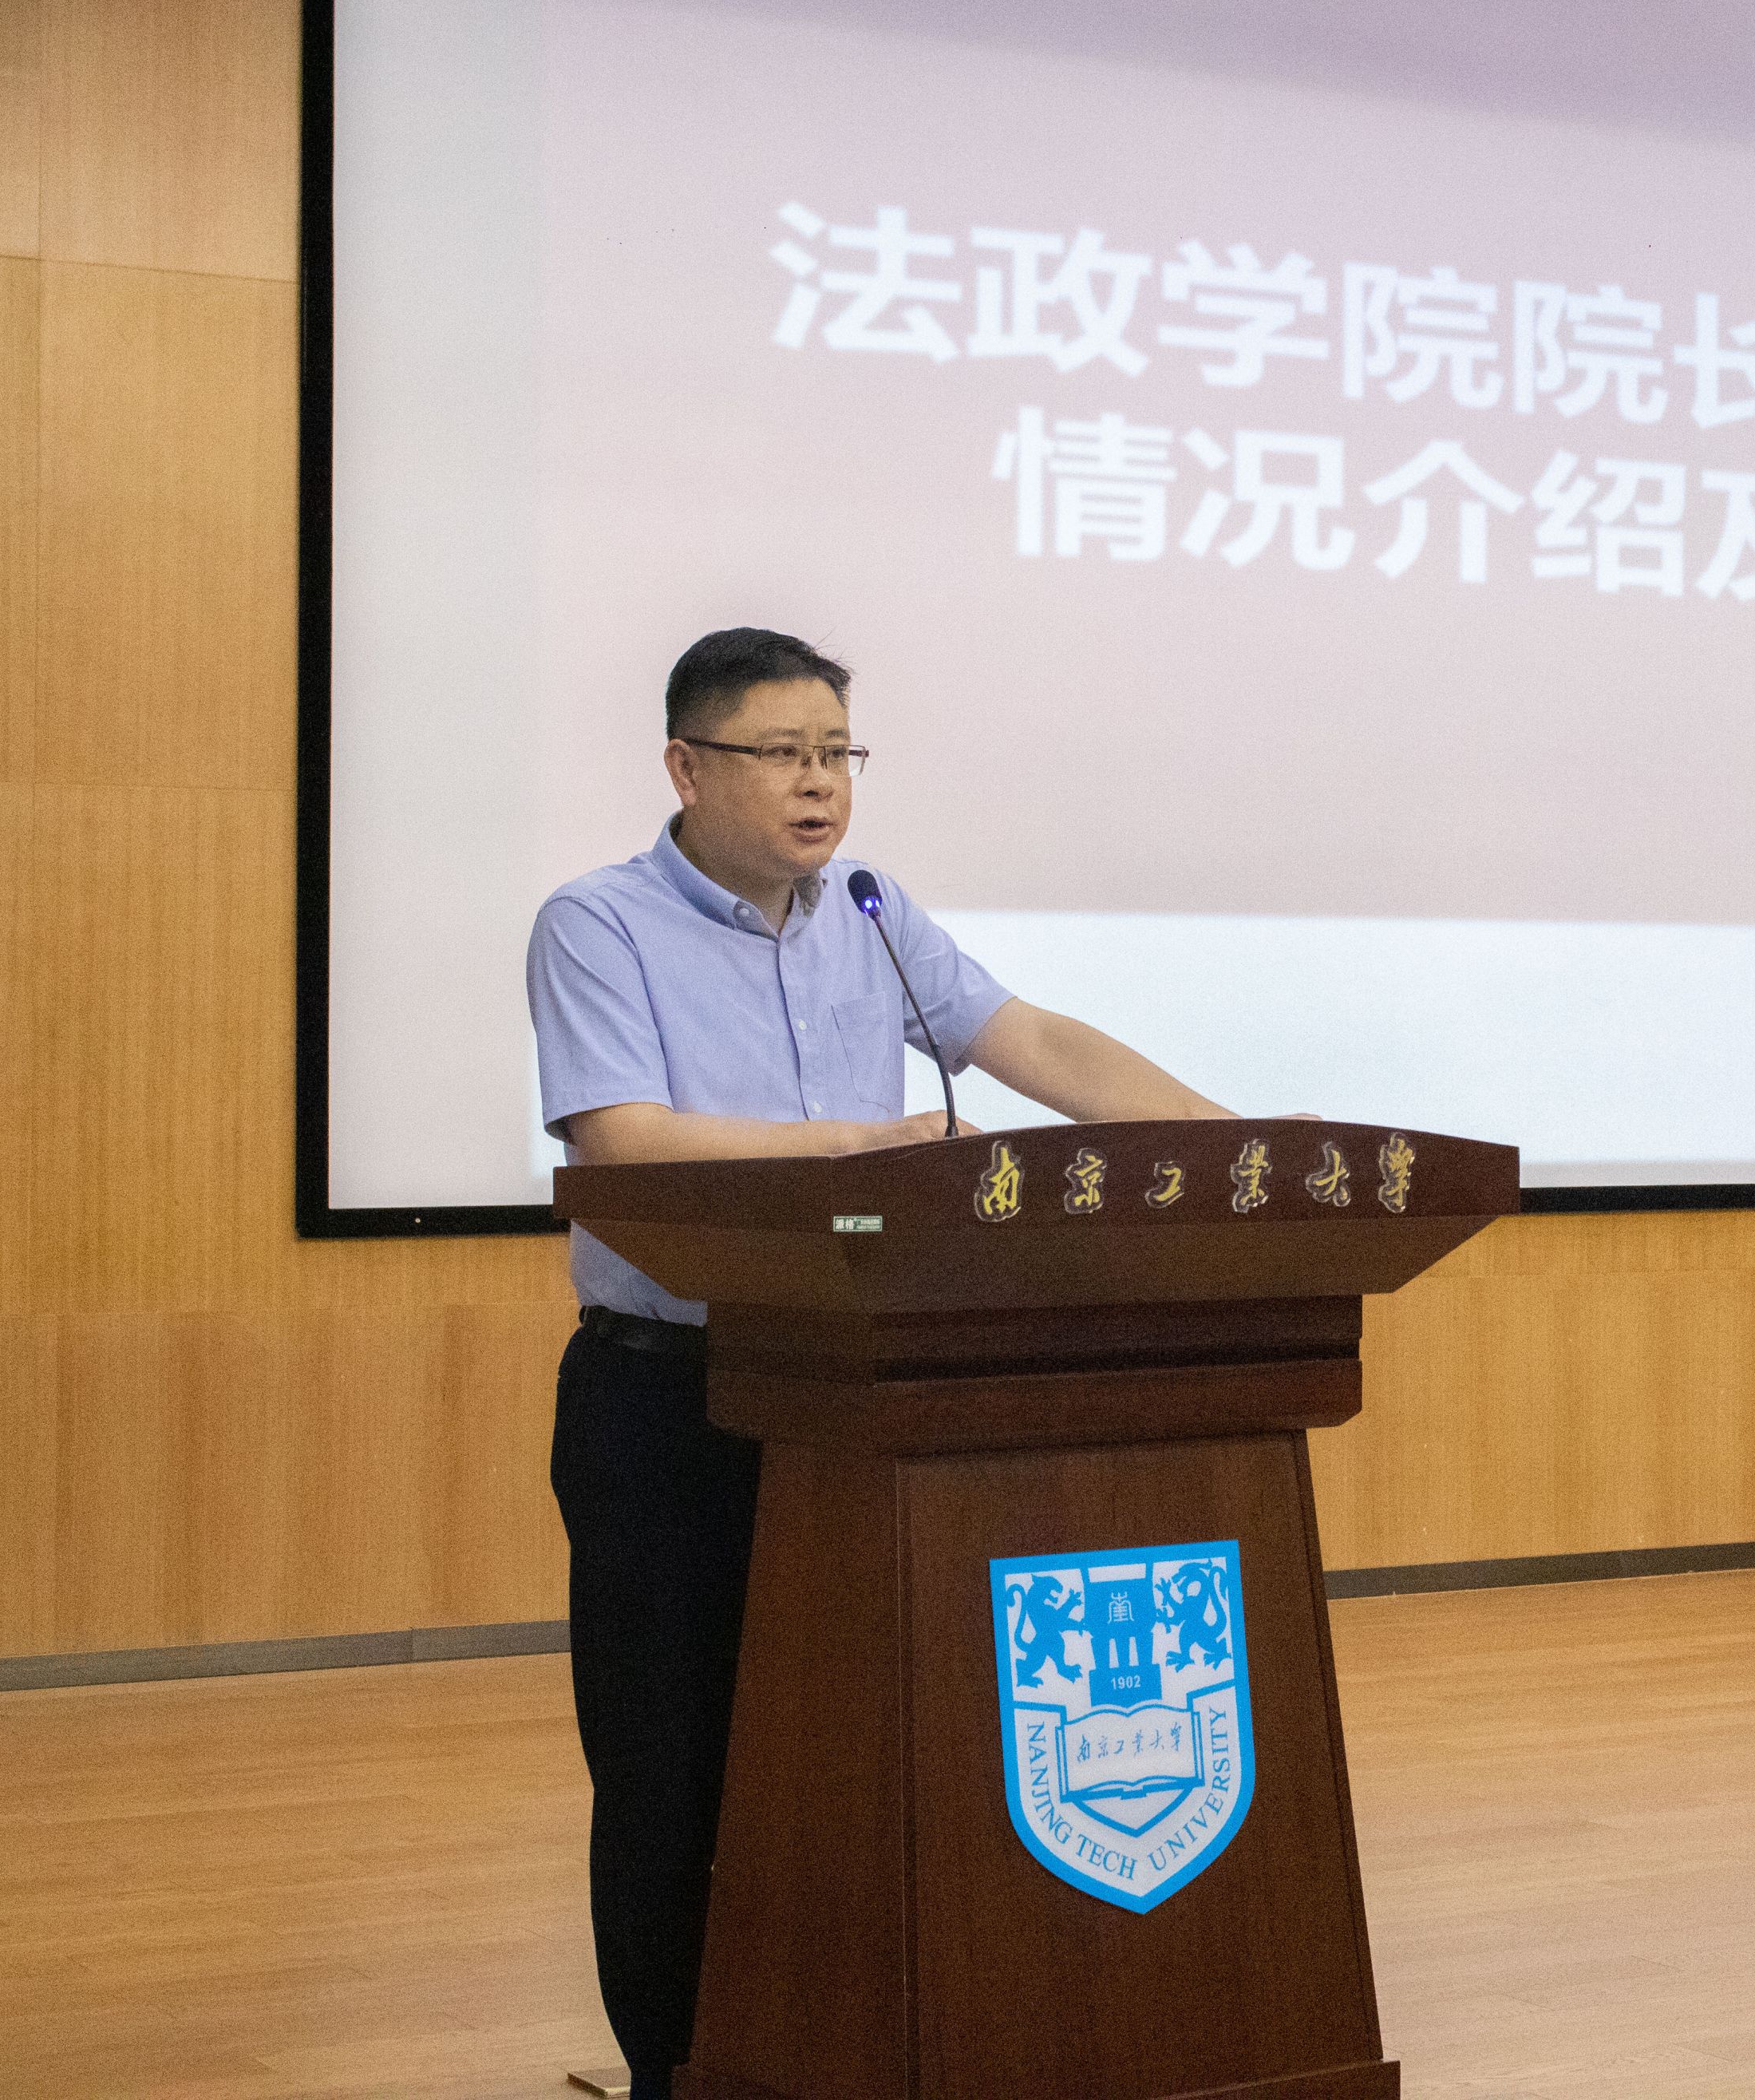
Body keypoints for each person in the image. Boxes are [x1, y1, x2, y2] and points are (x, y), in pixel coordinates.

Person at [525, 626, 1234, 2099]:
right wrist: (869, 1142)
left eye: (839, 753)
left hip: (855, 1401)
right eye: (782, 754)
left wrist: (1232, 1144)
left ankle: (822, 2052)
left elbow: (1032, 1039)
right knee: (671, 1767)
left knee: (847, 1756)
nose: (821, 784)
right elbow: (622, 1139)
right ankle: (674, 2072)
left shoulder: (871, 910)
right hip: (671, 1397)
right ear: (686, 767)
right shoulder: (597, 923)